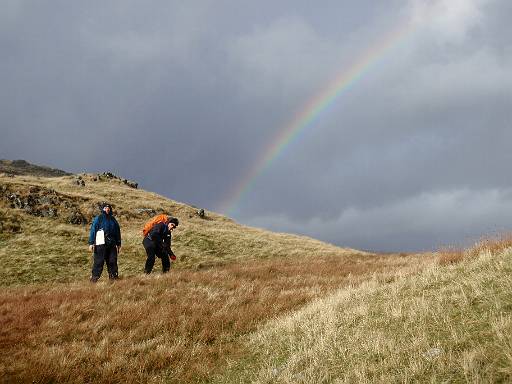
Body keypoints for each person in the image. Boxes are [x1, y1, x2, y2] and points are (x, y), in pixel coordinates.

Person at [88, 202, 121, 282]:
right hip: (100, 244)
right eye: (105, 208)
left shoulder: (113, 220)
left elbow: (117, 231)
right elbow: (93, 230)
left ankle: (113, 278)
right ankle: (94, 279)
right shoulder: (98, 218)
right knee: (99, 262)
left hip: (112, 244)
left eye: (109, 208)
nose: (107, 209)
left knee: (112, 261)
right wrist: (91, 243)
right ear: (102, 209)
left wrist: (118, 243)